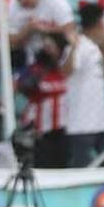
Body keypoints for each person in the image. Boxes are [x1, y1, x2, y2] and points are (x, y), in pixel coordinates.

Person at [63, 2, 104, 166]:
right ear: (99, 23)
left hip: (100, 122)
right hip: (81, 125)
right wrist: (73, 48)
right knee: (82, 169)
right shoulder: (80, 46)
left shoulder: (93, 47)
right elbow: (66, 71)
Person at [18, 33, 70, 169]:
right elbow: (23, 87)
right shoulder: (34, 70)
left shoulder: (64, 71)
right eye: (45, 46)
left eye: (50, 46)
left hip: (61, 129)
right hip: (39, 130)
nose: (46, 50)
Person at [8, 0, 77, 69]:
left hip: (55, 45)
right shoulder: (13, 4)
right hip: (28, 49)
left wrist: (44, 29)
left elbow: (70, 27)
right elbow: (9, 38)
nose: (22, 0)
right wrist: (27, 29)